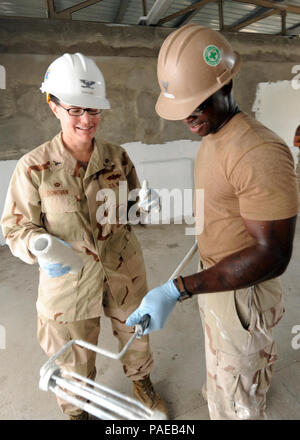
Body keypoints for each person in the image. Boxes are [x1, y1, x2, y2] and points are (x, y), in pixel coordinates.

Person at [126, 25, 299, 420]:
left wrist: (178, 289)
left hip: (242, 294)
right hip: (219, 279)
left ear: (226, 85)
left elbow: (272, 254)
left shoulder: (257, 151)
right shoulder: (215, 133)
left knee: (238, 401)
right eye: (182, 106)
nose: (188, 116)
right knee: (230, 374)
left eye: (197, 105)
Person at [1, 52, 167, 420]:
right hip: (70, 283)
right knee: (73, 359)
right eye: (75, 110)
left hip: (124, 270)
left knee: (136, 336)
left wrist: (143, 206)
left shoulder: (117, 158)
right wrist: (36, 246)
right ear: (54, 107)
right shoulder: (33, 167)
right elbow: (14, 227)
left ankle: (141, 382)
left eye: (93, 110)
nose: (87, 120)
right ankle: (77, 412)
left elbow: (132, 211)